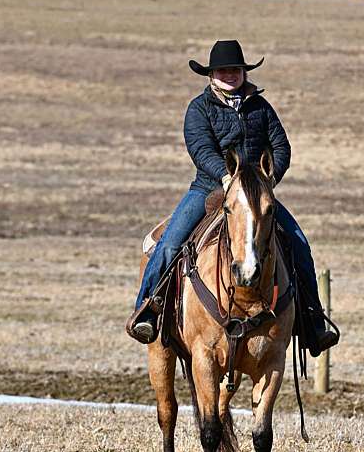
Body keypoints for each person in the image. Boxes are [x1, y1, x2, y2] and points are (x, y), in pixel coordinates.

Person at [126, 40, 338, 356]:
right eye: (223, 70)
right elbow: (200, 148)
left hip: (255, 195)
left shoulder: (260, 107)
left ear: (243, 73)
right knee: (170, 243)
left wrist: (266, 182)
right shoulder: (199, 109)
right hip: (209, 188)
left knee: (299, 245)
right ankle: (147, 309)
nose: (230, 75)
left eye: (235, 70)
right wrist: (227, 178)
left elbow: (281, 147)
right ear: (211, 75)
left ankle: (312, 322)